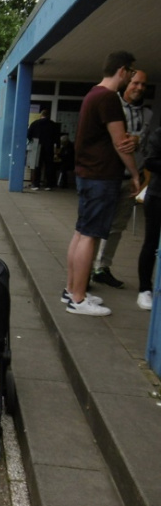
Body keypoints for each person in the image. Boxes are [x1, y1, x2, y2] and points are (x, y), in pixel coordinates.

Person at [63, 51, 139, 316]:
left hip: (88, 174)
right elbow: (121, 142)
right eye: (131, 72)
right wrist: (135, 174)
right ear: (122, 70)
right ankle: (79, 298)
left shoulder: (93, 94)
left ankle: (72, 290)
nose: (131, 78)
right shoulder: (108, 98)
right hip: (101, 177)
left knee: (81, 232)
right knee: (90, 236)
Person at [93, 70, 153, 288]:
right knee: (96, 225)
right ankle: (85, 269)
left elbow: (143, 144)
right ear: (127, 83)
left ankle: (102, 267)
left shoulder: (147, 114)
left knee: (117, 227)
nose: (139, 88)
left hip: (131, 178)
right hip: (108, 175)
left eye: (143, 85)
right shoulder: (111, 103)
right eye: (135, 83)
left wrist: (137, 141)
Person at [136, 126, 161, 310]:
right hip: (158, 196)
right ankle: (145, 289)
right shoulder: (159, 133)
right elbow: (150, 162)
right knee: (151, 242)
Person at [28, 109, 60, 191]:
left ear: (41, 115)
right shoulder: (53, 125)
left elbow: (29, 135)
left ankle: (36, 184)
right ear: (49, 115)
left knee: (37, 166)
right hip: (49, 147)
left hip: (37, 146)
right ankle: (48, 185)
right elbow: (57, 138)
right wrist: (57, 147)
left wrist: (32, 141)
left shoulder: (35, 123)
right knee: (49, 166)